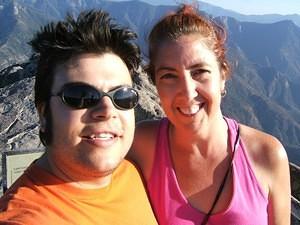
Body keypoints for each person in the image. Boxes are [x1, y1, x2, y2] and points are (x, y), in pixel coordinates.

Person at [129, 4, 291, 225]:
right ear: (155, 83)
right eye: (169, 76)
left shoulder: (267, 155)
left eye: (199, 72)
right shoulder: (140, 145)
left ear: (222, 75)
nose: (187, 91)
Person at [0, 10, 158, 225]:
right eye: (80, 96)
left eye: (122, 97)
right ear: (44, 113)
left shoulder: (133, 172)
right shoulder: (25, 217)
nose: (106, 109)